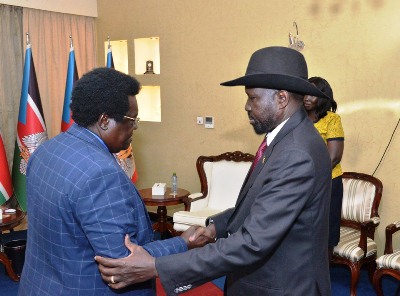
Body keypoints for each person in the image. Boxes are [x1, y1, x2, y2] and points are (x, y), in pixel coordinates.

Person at [95, 46, 333, 296]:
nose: (247, 107)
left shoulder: (295, 152)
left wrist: (157, 266)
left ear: (281, 98)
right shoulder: (287, 139)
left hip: (283, 287)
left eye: (253, 98)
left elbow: (252, 242)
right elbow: (257, 208)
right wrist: (215, 227)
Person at [18, 67, 209, 296]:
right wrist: (184, 242)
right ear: (105, 121)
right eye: (131, 120)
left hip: (39, 286)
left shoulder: (45, 151)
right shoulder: (100, 174)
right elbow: (123, 264)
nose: (135, 128)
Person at [303, 76, 345, 255]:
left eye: (312, 94)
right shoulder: (297, 119)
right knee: (303, 230)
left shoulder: (331, 119)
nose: (307, 98)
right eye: (304, 93)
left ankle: (322, 277)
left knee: (325, 232)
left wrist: (309, 175)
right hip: (301, 181)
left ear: (322, 97)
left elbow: (334, 157)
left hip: (327, 183)